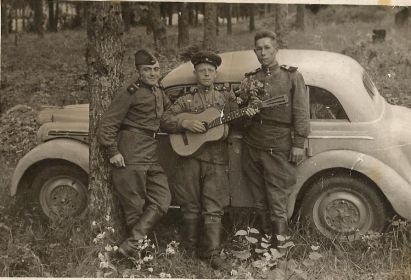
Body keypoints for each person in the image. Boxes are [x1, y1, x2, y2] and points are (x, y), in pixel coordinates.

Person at [161, 51, 256, 269]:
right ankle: (190, 250)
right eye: (202, 71)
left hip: (216, 159)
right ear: (195, 73)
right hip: (189, 158)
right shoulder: (186, 99)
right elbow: (165, 119)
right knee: (190, 204)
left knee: (214, 206)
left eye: (210, 71)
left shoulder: (226, 98)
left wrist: (247, 114)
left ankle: (211, 253)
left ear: (215, 74)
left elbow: (239, 122)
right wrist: (184, 124)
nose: (206, 74)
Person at [238, 30, 310, 246]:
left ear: (276, 50)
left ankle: (280, 249)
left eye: (267, 48)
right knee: (259, 199)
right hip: (252, 146)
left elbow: (301, 112)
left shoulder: (291, 77)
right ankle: (265, 245)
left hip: (278, 145)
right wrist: (246, 115)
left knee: (277, 199)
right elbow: (239, 119)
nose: (263, 52)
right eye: (259, 49)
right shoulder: (250, 80)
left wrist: (298, 143)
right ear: (255, 52)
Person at [98, 49, 171, 257]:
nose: (153, 73)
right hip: (130, 152)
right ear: (139, 72)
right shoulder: (130, 92)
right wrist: (113, 150)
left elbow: (170, 112)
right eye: (147, 70)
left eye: (156, 69)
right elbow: (108, 123)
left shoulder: (158, 91)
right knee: (134, 206)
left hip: (151, 153)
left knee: (163, 198)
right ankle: (138, 254)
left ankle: (131, 245)